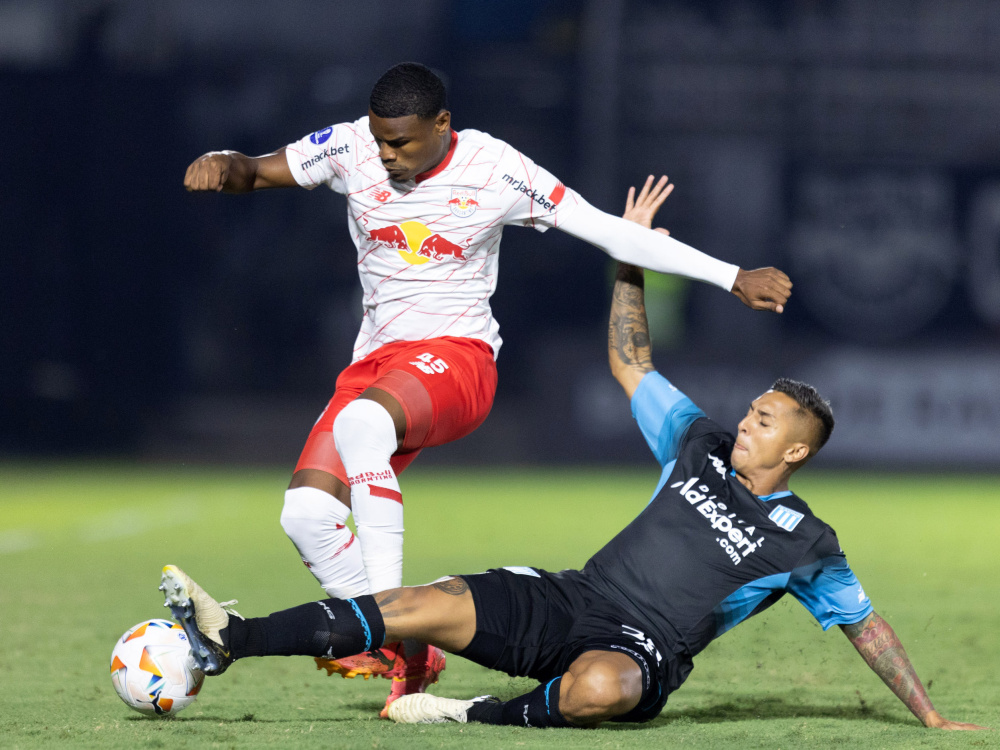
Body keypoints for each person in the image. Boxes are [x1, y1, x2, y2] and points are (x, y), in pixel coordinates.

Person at [160, 179, 986, 732]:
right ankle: (234, 637)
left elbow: (868, 629)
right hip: (571, 598)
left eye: (764, 421)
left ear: (796, 449)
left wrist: (929, 716)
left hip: (640, 650)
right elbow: (631, 362)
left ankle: (467, 714)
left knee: (600, 691)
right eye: (751, 410)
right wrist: (630, 251)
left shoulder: (806, 543)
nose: (745, 422)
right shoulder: (696, 443)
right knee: (417, 603)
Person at [182, 61, 792, 715]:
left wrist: (731, 276)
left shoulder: (495, 168)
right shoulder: (350, 145)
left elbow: (607, 229)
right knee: (306, 515)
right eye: (380, 140)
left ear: (442, 124)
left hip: (458, 360)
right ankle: (412, 652)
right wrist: (223, 163)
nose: (386, 155)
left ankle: (384, 618)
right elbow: (258, 169)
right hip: (376, 367)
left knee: (362, 425)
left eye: (401, 142)